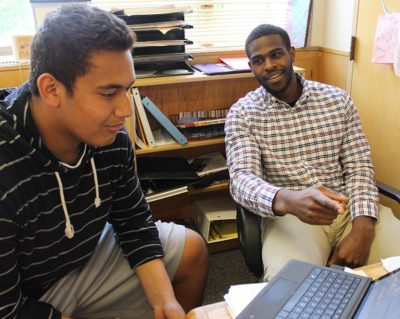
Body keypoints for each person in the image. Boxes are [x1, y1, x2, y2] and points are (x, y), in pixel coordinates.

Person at [0, 4, 208, 319]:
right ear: (51, 89)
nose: (125, 109)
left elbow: (134, 223)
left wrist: (166, 303)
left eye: (128, 90)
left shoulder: (111, 140)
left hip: (82, 254)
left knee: (191, 249)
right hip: (25, 290)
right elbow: (8, 310)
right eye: (109, 93)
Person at [225, 24, 400, 282]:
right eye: (258, 60)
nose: (269, 65)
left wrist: (362, 228)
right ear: (251, 67)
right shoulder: (243, 114)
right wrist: (287, 199)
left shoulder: (337, 100)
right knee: (290, 289)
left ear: (292, 53)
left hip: (349, 207)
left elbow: (359, 166)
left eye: (276, 54)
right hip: (292, 218)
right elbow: (241, 179)